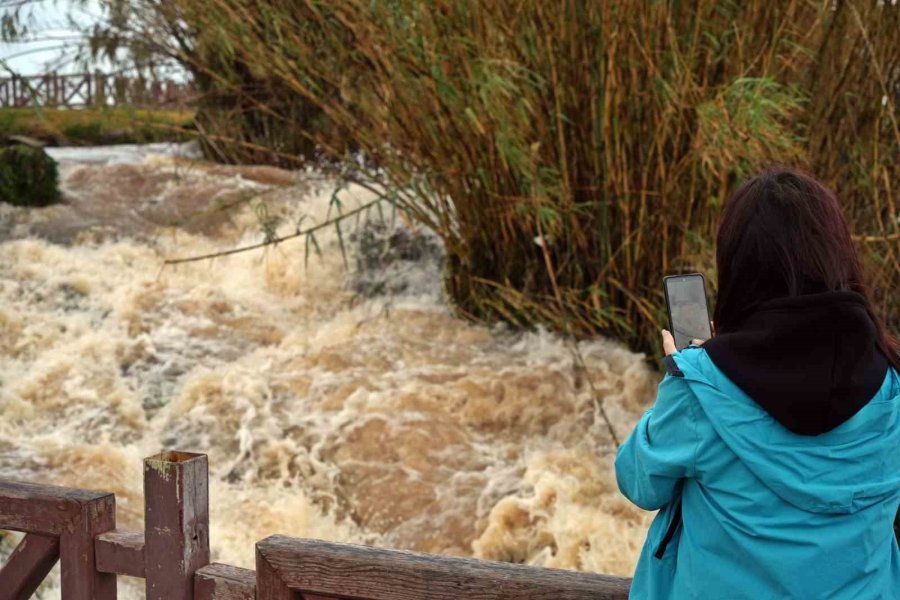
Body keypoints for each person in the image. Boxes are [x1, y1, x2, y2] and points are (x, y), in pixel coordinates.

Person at [615, 167, 900, 599]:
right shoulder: (892, 383)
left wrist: (685, 373)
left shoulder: (700, 388)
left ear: (739, 269)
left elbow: (638, 481)